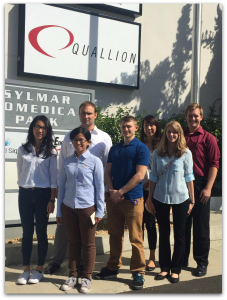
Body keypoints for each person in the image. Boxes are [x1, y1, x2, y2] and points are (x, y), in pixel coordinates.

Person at [44, 101, 112, 274]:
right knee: (63, 229)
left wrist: (103, 193)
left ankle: (82, 265)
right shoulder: (69, 136)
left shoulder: (104, 138)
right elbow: (64, 163)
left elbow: (105, 167)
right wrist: (60, 187)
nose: (86, 116)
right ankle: (56, 261)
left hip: (90, 196)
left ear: (95, 114)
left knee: (86, 233)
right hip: (70, 194)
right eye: (83, 113)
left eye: (89, 113)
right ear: (79, 114)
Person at [94, 115, 150, 290]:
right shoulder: (115, 149)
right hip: (114, 200)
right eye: (123, 126)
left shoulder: (141, 148)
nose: (126, 129)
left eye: (129, 126)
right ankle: (112, 267)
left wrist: (121, 192)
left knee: (136, 238)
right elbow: (107, 172)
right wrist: (112, 191)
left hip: (132, 199)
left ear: (135, 127)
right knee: (115, 236)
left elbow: (140, 175)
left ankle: (138, 272)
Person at [57, 127, 104, 293]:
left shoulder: (95, 161)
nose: (78, 143)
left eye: (81, 140)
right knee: (73, 242)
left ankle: (87, 277)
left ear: (88, 142)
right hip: (69, 207)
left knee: (89, 244)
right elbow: (61, 186)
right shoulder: (67, 162)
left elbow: (99, 186)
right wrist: (59, 211)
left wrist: (100, 210)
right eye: (75, 140)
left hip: (87, 209)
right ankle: (73, 275)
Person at [147, 120, 195, 284]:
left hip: (181, 198)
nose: (172, 135)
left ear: (179, 134)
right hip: (160, 198)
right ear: (165, 134)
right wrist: (150, 199)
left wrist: (192, 201)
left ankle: (175, 269)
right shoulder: (157, 154)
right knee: (164, 234)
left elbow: (189, 178)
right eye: (169, 132)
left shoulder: (186, 154)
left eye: (175, 132)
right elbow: (153, 177)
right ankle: (164, 268)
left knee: (180, 235)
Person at [16, 115, 58, 285]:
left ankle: (39, 269)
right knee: (26, 233)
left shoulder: (52, 152)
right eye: (37, 127)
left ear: (47, 131)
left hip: (43, 195)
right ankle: (26, 270)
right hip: (25, 194)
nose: (40, 130)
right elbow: (20, 173)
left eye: (43, 128)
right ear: (32, 128)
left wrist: (52, 200)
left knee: (41, 233)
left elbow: (54, 178)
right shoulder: (22, 149)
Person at [183, 103, 220, 277]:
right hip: (181, 185)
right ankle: (181, 259)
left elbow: (214, 164)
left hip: (200, 185)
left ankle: (201, 262)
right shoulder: (180, 136)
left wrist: (208, 188)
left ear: (201, 117)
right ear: (186, 117)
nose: (193, 118)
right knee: (182, 225)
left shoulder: (208, 138)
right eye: (190, 115)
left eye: (196, 115)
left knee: (200, 227)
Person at [139, 115, 161, 271]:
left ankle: (152, 258)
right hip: (139, 191)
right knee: (138, 226)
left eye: (152, 125)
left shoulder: (162, 146)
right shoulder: (139, 145)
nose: (149, 128)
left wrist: (149, 184)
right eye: (146, 125)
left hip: (154, 191)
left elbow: (162, 170)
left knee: (151, 225)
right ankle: (139, 257)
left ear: (156, 127)